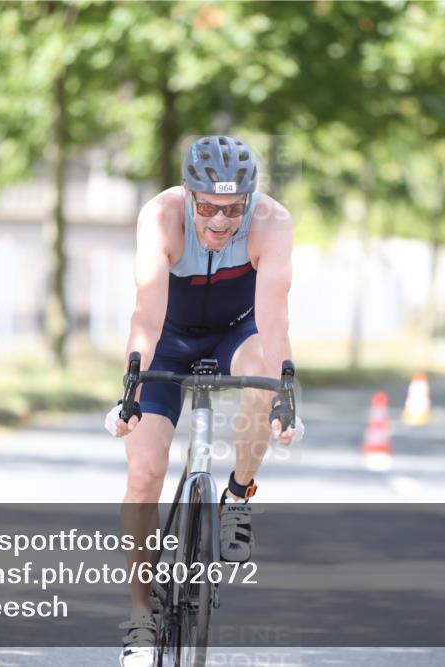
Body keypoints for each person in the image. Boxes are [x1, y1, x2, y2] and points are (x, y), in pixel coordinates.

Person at [104, 135, 301, 667]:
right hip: (168, 335)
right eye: (208, 208)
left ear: (251, 201)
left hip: (234, 334)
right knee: (145, 470)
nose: (219, 221)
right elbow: (145, 315)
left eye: (233, 209)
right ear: (189, 196)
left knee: (260, 377)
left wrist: (284, 390)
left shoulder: (273, 224)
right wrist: (132, 385)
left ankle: (236, 496)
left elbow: (274, 319)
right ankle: (141, 618)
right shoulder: (161, 216)